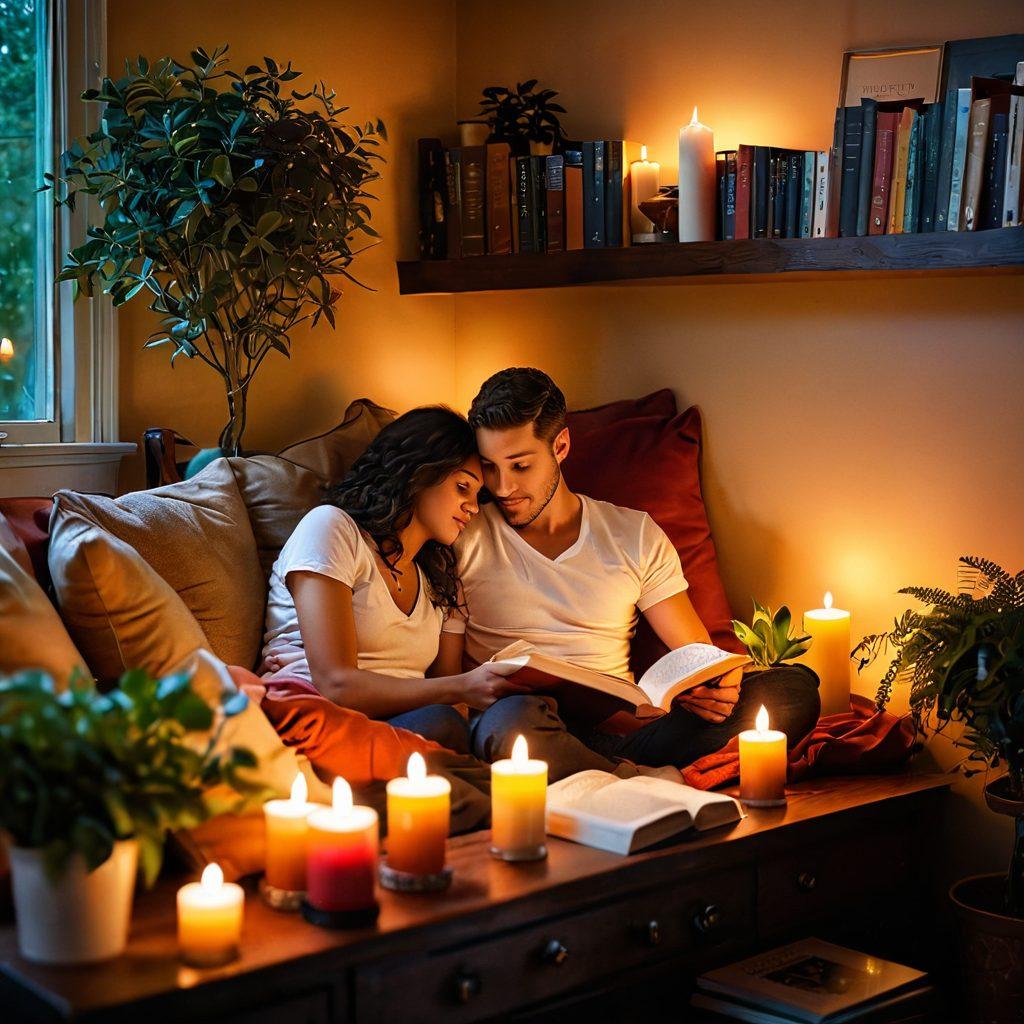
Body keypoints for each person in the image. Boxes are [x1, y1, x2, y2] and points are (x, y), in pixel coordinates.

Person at [446, 368, 821, 780]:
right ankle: (635, 779)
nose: (502, 487)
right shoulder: (463, 535)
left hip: (623, 737)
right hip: (520, 727)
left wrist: (715, 684)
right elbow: (447, 681)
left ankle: (608, 772)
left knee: (793, 689)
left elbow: (696, 654)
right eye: (489, 467)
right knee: (512, 722)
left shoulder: (632, 533)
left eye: (520, 466)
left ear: (561, 446)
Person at [259, 405, 526, 831]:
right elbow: (336, 683)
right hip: (323, 713)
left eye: (478, 496)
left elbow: (448, 697)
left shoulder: (440, 581)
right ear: (418, 472)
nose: (473, 507)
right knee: (442, 729)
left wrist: (474, 692)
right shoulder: (332, 530)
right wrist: (462, 687)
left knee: (489, 725)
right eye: (462, 487)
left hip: (412, 725)